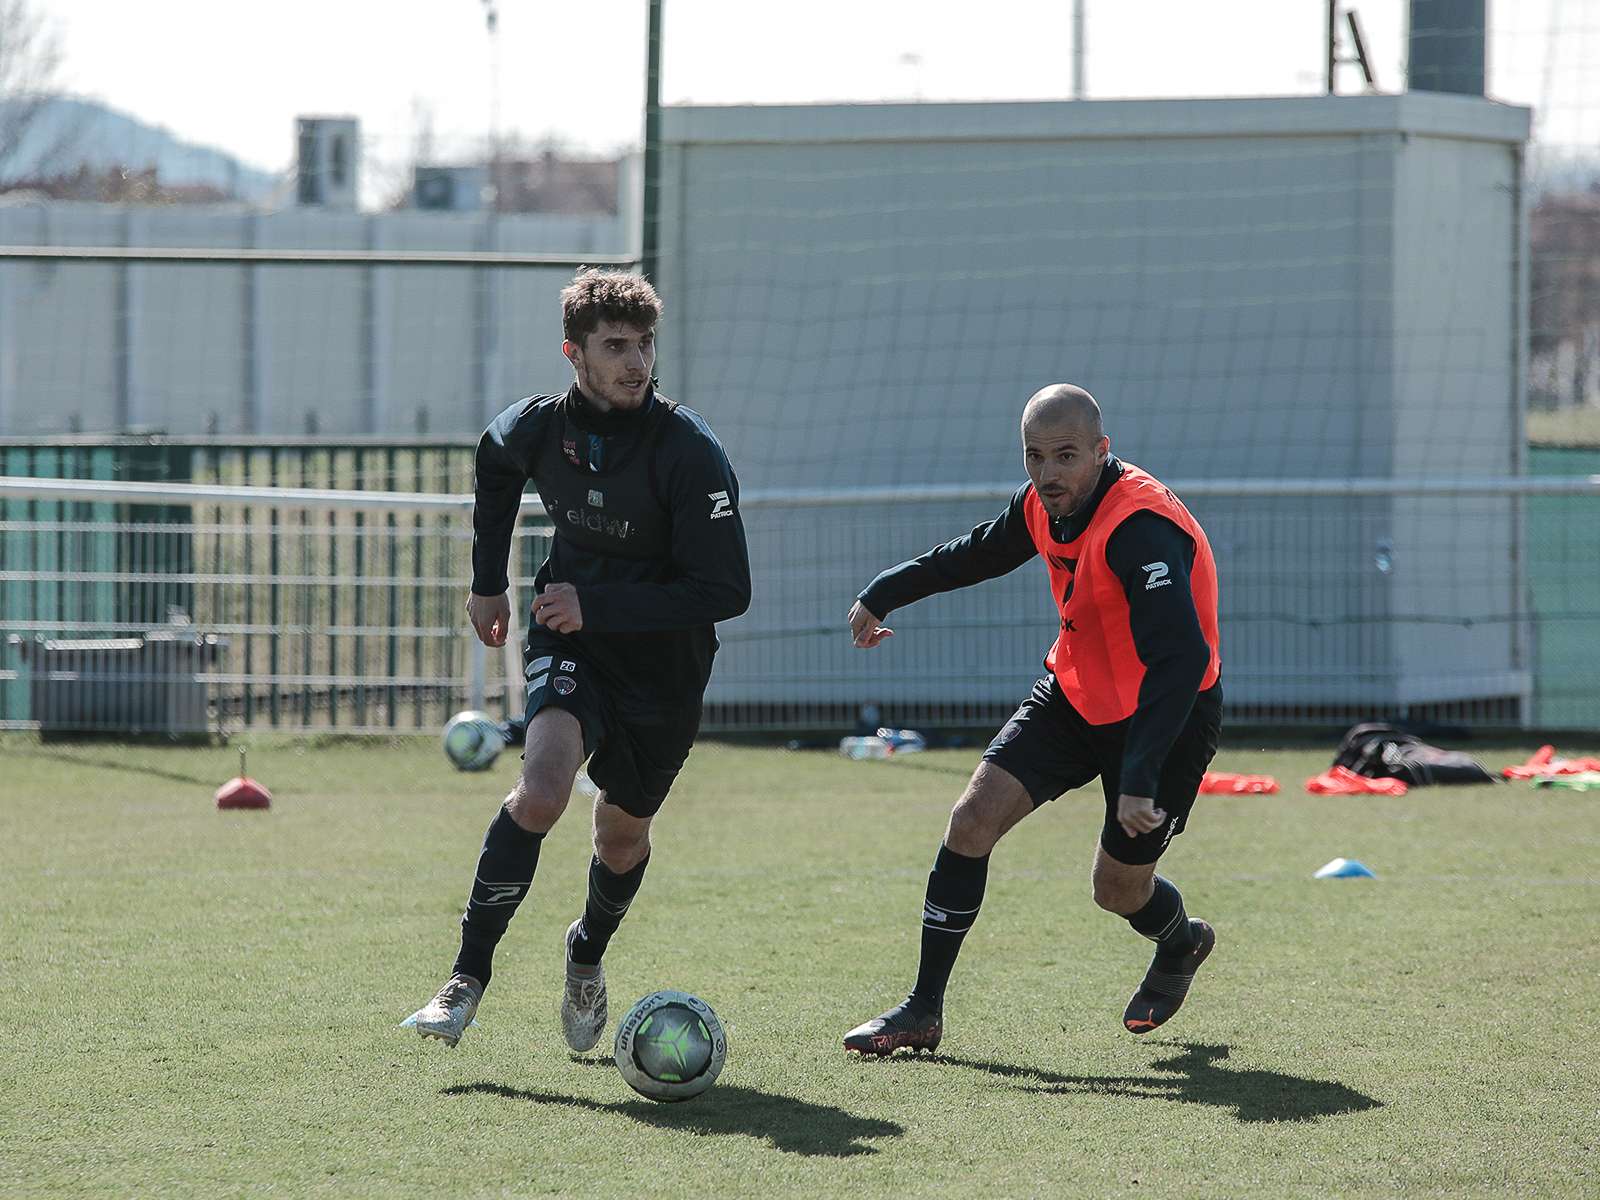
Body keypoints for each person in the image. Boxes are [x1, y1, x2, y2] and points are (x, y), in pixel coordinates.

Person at [406, 268, 751, 1052]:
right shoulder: (534, 428)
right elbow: (494, 472)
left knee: (619, 839)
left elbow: (727, 588)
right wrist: (487, 585)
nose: (637, 361)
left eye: (646, 343)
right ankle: (464, 981)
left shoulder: (689, 451)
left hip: (665, 668)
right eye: (616, 346)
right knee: (541, 793)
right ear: (575, 354)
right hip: (571, 639)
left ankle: (585, 954)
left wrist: (605, 604)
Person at [842, 384, 1222, 1055]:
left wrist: (1138, 775)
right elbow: (977, 552)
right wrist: (885, 591)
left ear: (1102, 453)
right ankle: (921, 1011)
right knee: (971, 821)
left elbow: (1181, 658)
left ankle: (1181, 942)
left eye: (1066, 456)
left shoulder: (1141, 527)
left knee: (1117, 889)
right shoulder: (1041, 505)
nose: (1048, 474)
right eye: (1034, 456)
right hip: (1074, 695)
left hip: (1167, 714)